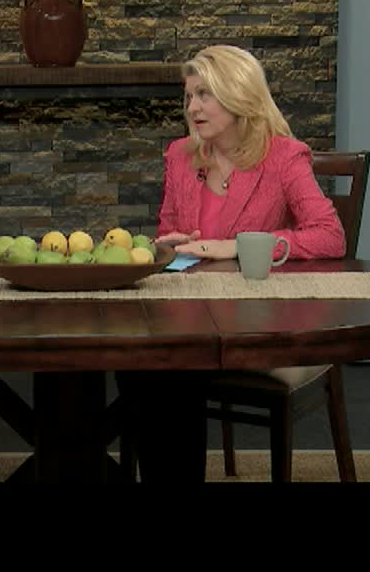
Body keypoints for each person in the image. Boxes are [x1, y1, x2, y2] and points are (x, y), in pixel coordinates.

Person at [117, 44, 346, 482]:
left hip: (253, 318)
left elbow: (329, 235)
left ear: (237, 94)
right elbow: (164, 232)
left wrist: (238, 246)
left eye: (205, 94)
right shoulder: (181, 156)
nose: (193, 107)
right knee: (135, 359)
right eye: (188, 96)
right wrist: (168, 243)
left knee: (168, 368)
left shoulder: (284, 157)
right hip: (186, 313)